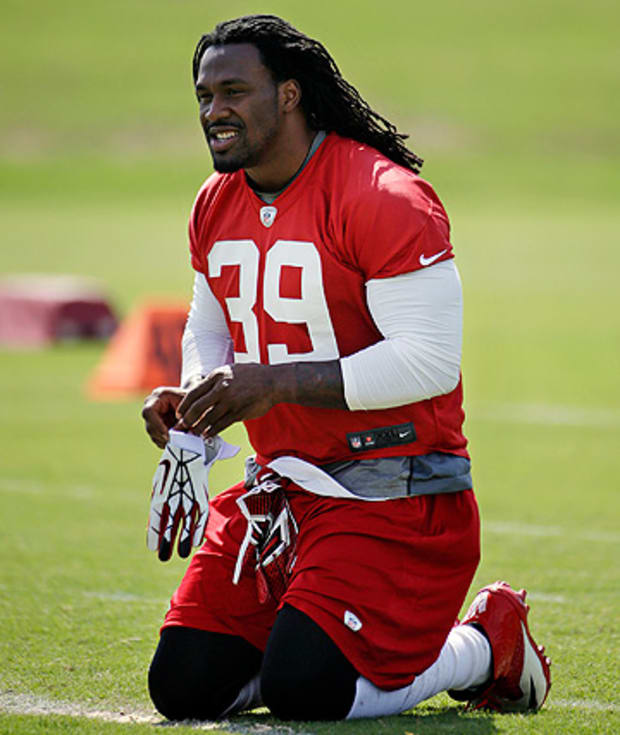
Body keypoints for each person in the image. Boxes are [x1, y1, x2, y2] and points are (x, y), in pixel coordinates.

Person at [141, 14, 551, 722]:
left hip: (395, 492)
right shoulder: (216, 201)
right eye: (205, 95)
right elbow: (209, 325)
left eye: (234, 91)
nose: (215, 111)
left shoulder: (381, 196)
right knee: (182, 686)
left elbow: (427, 361)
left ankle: (486, 643)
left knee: (309, 689)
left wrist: (272, 382)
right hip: (284, 494)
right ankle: (307, 642)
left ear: (290, 94)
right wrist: (197, 401)